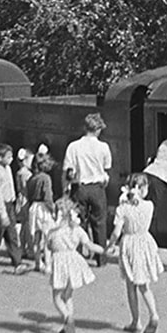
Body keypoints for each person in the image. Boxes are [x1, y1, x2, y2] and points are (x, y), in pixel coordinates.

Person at [106, 173, 163, 333]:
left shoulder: (122, 209)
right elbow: (141, 207)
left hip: (130, 244)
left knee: (131, 286)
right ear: (143, 190)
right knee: (144, 285)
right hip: (145, 242)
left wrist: (110, 245)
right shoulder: (149, 206)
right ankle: (153, 314)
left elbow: (116, 233)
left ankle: (135, 321)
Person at [46, 197, 106, 333]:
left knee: (57, 297)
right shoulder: (77, 230)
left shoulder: (53, 232)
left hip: (60, 263)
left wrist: (46, 263)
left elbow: (48, 247)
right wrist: (103, 250)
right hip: (74, 263)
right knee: (68, 295)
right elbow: (90, 245)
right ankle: (67, 325)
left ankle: (68, 318)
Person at [63, 113, 112, 265]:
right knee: (99, 223)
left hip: (79, 187)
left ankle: (77, 256)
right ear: (98, 130)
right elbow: (107, 168)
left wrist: (65, 189)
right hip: (97, 187)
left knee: (78, 222)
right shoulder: (103, 147)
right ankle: (101, 258)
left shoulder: (74, 146)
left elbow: (68, 170)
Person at [0, 144, 28, 273]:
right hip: (1, 206)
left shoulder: (7, 168)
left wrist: (13, 201)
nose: (11, 159)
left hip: (9, 204)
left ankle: (17, 263)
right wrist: (2, 213)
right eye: (8, 157)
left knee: (12, 234)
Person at [143, 124, 167, 238]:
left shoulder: (165, 142)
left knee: (146, 204)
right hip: (161, 176)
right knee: (154, 207)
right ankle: (149, 236)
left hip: (149, 172)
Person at [25, 152, 57, 273]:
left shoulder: (32, 178)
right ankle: (48, 264)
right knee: (47, 237)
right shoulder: (46, 178)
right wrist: (52, 210)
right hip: (43, 208)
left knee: (36, 237)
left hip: (33, 207)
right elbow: (47, 196)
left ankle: (38, 262)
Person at [15, 147, 35, 257]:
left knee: (24, 225)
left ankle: (22, 248)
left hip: (21, 199)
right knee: (27, 226)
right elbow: (25, 188)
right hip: (26, 200)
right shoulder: (26, 174)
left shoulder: (19, 172)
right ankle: (29, 249)